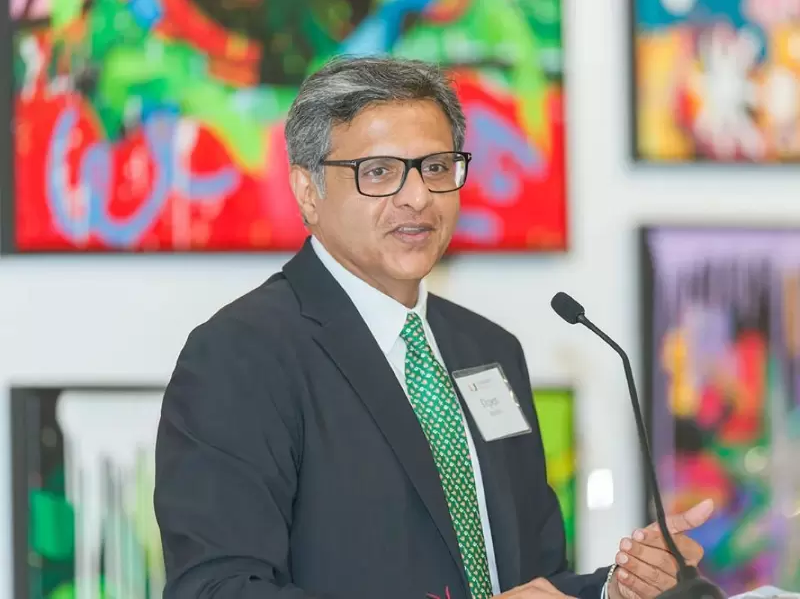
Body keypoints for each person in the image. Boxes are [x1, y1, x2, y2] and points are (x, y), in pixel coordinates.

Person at [153, 56, 713, 599]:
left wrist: (617, 587)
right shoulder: (241, 354)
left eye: (437, 167)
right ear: (308, 192)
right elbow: (216, 587)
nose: (419, 197)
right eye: (379, 172)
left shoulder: (489, 348)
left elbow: (532, 577)